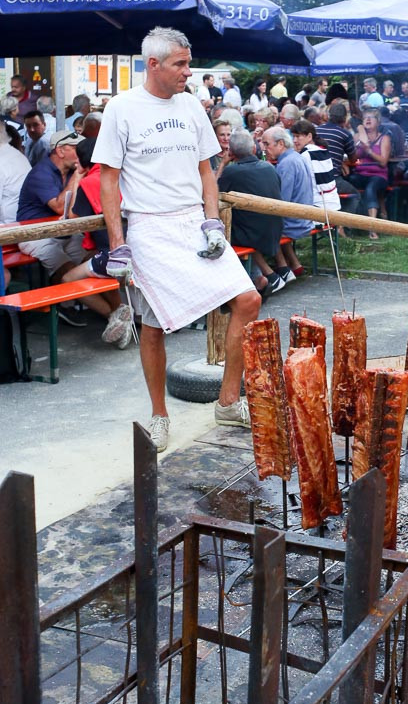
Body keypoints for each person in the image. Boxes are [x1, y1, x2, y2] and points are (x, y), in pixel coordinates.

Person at [92, 26, 261, 451]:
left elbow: (207, 169)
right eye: (180, 64)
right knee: (153, 326)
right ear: (153, 65)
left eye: (188, 62)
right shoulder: (122, 108)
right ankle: (159, 415)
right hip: (149, 226)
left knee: (249, 299)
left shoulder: (190, 106)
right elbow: (108, 181)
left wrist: (211, 222)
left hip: (192, 223)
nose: (188, 71)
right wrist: (118, 243)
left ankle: (226, 401)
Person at [17, 128, 132, 340]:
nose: (79, 154)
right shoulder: (41, 173)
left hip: (66, 233)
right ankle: (114, 315)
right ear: (61, 151)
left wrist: (79, 174)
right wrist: (79, 175)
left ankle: (120, 314)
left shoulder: (78, 172)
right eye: (74, 148)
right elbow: (61, 208)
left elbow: (73, 215)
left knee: (90, 262)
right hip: (35, 235)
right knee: (69, 271)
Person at [217, 129, 285, 295]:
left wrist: (222, 165)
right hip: (275, 229)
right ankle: (261, 276)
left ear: (231, 153)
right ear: (254, 149)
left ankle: (249, 281)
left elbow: (213, 194)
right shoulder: (269, 168)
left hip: (253, 234)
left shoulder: (232, 172)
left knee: (220, 233)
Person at [259, 125, 314, 279]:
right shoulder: (296, 157)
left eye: (267, 144)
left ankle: (281, 269)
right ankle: (294, 264)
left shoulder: (286, 164)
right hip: (305, 217)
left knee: (260, 224)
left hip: (295, 223)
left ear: (281, 144)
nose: (263, 149)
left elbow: (282, 203)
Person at [351, 109, 391, 238]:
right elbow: (352, 158)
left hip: (378, 175)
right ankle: (345, 225)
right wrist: (359, 147)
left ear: (378, 122)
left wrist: (369, 151)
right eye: (365, 118)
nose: (368, 119)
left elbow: (383, 162)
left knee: (371, 188)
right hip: (361, 173)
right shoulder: (358, 137)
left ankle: (372, 228)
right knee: (347, 182)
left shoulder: (384, 138)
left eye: (372, 117)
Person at [316, 101, 360, 215]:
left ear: (329, 116)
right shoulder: (345, 134)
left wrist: (340, 162)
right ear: (345, 118)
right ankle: (342, 226)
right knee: (355, 195)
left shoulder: (317, 131)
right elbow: (354, 159)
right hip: (332, 180)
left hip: (315, 179)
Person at [291, 119, 340, 212]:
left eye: (297, 136)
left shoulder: (305, 155)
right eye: (293, 137)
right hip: (334, 204)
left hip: (318, 208)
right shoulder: (323, 149)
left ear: (309, 136)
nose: (294, 140)